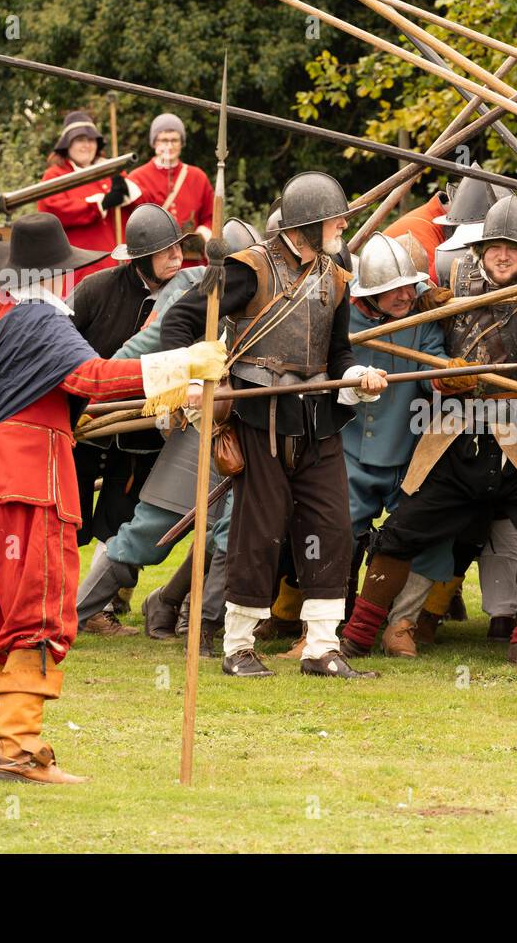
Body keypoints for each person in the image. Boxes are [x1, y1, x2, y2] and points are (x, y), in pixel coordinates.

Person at [0, 212, 225, 783]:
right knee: (35, 617)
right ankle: (18, 752)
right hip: (29, 493)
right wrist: (184, 364)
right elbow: (94, 380)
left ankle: (7, 745)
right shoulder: (45, 323)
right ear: (57, 277)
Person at [339, 195, 517, 668]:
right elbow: (433, 351)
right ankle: (357, 637)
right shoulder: (453, 286)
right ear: (480, 248)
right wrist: (445, 378)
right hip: (455, 437)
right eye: (494, 246)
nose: (501, 255)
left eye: (512, 248)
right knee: (401, 531)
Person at [162, 171, 389, 679]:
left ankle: (322, 648)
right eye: (334, 219)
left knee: (332, 528)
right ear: (308, 224)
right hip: (256, 415)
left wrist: (357, 377)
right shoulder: (247, 269)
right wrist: (202, 379)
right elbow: (180, 322)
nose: (342, 226)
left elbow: (338, 354)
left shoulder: (335, 275)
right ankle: (238, 646)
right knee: (257, 531)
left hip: (316, 417)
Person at [339, 232, 453, 657]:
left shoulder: (422, 315)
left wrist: (448, 377)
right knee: (337, 534)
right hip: (349, 449)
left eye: (409, 285)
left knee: (426, 532)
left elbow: (432, 370)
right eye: (392, 291)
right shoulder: (340, 315)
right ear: (370, 294)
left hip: (408, 449)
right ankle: (328, 620)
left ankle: (401, 623)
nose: (405, 295)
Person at [68, 204, 185, 592]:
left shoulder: (187, 293)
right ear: (140, 258)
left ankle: (103, 602)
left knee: (122, 516)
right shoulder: (96, 289)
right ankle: (59, 599)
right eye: (165, 250)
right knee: (70, 517)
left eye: (178, 247)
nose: (176, 256)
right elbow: (59, 344)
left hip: (143, 428)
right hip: (84, 423)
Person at [37, 111, 140, 289]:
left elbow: (141, 207)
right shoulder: (55, 175)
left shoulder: (110, 169)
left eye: (91, 139)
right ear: (67, 144)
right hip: (79, 271)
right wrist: (101, 204)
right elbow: (53, 210)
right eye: (79, 139)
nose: (86, 145)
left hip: (120, 267)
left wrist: (125, 190)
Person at [125, 113, 215, 265]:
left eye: (174, 140)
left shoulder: (198, 176)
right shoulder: (136, 178)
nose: (169, 146)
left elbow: (211, 216)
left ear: (182, 143)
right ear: (154, 143)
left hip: (192, 264)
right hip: (154, 263)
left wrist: (202, 234)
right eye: (163, 140)